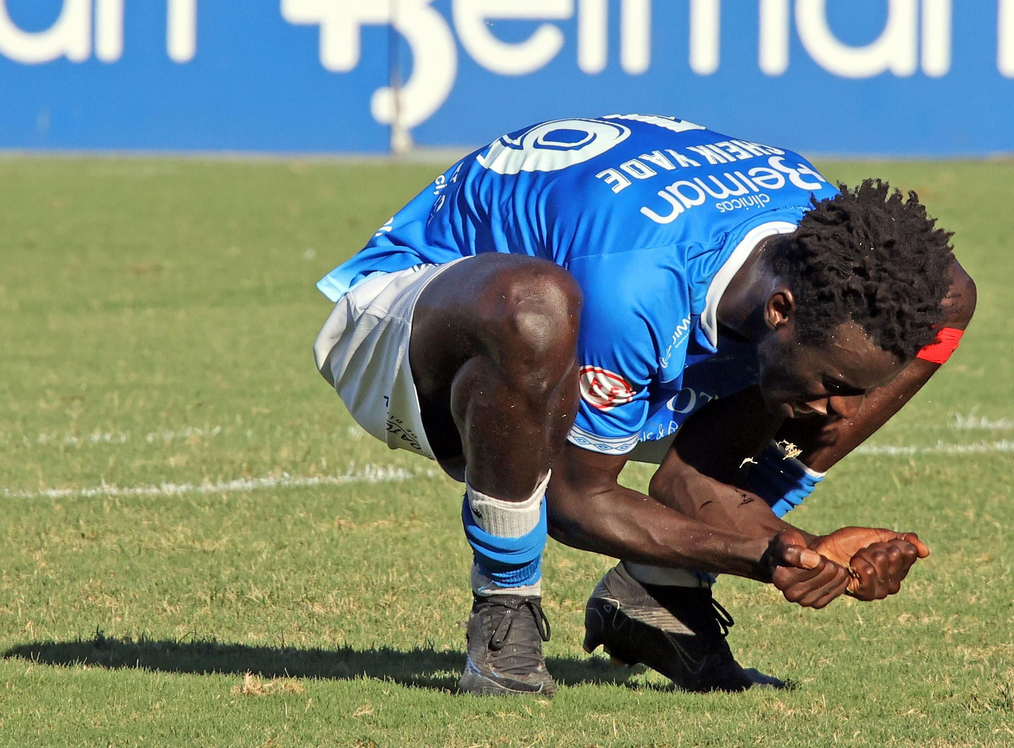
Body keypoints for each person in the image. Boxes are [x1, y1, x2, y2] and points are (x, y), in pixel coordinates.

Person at [312, 114, 974, 696]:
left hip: (624, 330)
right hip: (413, 329)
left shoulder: (824, 257)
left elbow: (694, 477)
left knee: (946, 296)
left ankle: (661, 592)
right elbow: (575, 501)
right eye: (835, 382)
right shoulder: (637, 283)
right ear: (780, 309)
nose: (842, 413)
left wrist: (802, 550)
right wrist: (760, 557)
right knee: (537, 308)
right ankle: (504, 611)